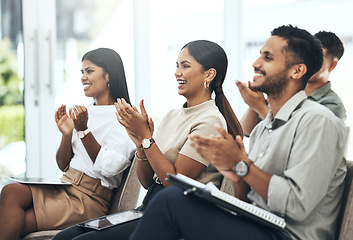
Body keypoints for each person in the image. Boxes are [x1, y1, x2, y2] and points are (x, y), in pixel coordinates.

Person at [129, 25, 348, 240]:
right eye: (259, 55)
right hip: (257, 225)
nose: (255, 63)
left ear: (297, 70)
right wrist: (236, 174)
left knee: (171, 200)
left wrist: (242, 166)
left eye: (268, 58)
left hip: (288, 235)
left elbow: (296, 205)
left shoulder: (318, 121)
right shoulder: (264, 126)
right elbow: (249, 201)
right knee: (173, 202)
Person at [52, 40, 243, 240]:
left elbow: (174, 185)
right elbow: (145, 181)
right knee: (62, 238)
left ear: (209, 74)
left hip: (176, 217)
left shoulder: (210, 120)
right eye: (177, 66)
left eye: (185, 66)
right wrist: (140, 145)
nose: (177, 72)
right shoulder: (171, 115)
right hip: (149, 206)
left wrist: (146, 138)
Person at [0, 48, 135, 239]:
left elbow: (110, 168)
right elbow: (63, 164)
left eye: (89, 71)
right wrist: (67, 134)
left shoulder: (123, 117)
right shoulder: (85, 112)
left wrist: (83, 131)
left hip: (88, 199)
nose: (83, 77)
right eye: (82, 72)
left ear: (108, 75)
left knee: (15, 221)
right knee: (11, 190)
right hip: (65, 185)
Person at [238, 30, 346, 136]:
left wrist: (260, 107)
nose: (308, 62)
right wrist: (254, 103)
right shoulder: (284, 94)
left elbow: (300, 139)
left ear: (332, 65)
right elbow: (247, 131)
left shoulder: (330, 107)